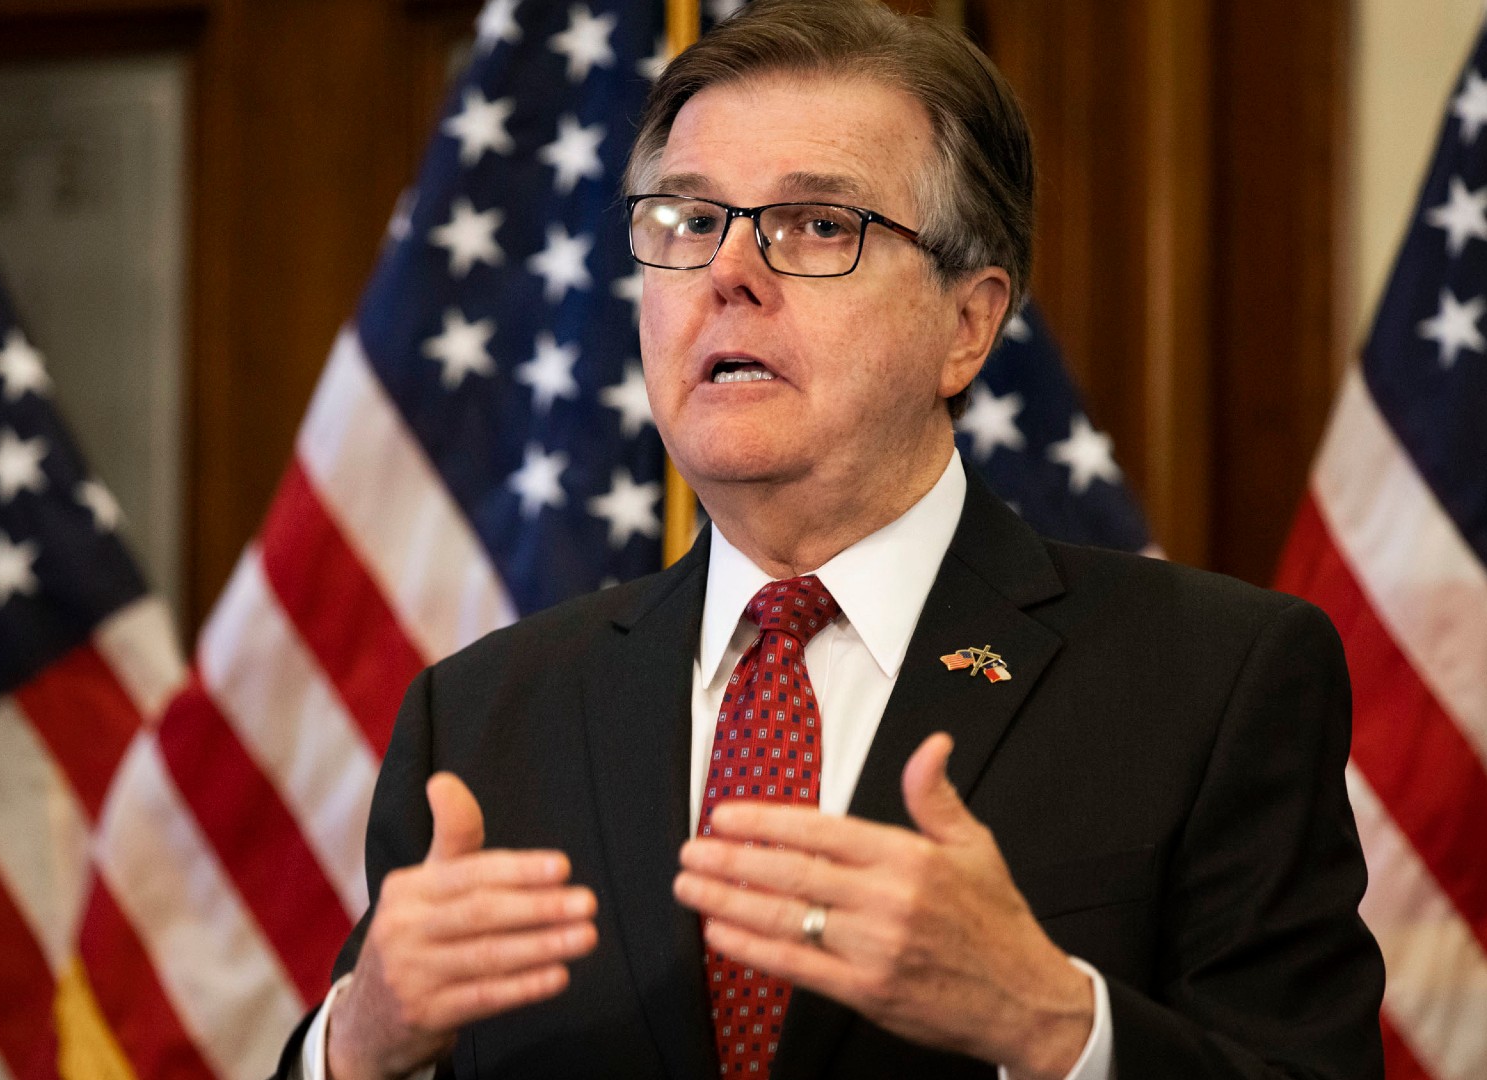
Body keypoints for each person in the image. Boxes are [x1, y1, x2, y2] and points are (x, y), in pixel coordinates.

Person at [276, 1, 1385, 1076]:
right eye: (690, 220)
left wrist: (1056, 1025)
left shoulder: (1213, 681)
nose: (729, 274)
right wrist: (359, 1048)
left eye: (819, 226)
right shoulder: (480, 718)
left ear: (967, 323)